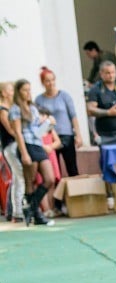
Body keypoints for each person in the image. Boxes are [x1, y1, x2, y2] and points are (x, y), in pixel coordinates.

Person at [10, 79, 58, 226]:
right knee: (30, 180)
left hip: (38, 143)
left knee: (49, 178)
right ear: (18, 92)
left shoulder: (33, 108)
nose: (28, 93)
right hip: (26, 144)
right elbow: (18, 132)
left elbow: (38, 129)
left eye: (29, 89)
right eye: (25, 90)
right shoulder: (16, 109)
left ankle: (30, 208)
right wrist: (24, 153)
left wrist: (48, 123)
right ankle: (37, 215)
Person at [86, 61, 116, 206]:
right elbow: (90, 110)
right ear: (101, 74)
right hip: (106, 134)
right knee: (108, 165)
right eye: (107, 73)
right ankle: (111, 195)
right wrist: (108, 112)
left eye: (113, 72)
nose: (111, 75)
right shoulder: (96, 89)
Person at [35, 67, 83, 178]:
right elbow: (37, 119)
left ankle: (75, 192)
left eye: (52, 80)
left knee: (72, 167)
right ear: (43, 83)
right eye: (47, 81)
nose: (51, 83)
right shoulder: (39, 99)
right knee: (55, 170)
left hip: (66, 135)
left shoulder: (64, 96)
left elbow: (73, 116)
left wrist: (78, 135)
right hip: (49, 137)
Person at [1, 81, 27, 222]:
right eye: (10, 90)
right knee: (19, 176)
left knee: (17, 177)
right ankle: (17, 210)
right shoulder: (3, 110)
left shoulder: (12, 109)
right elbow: (11, 130)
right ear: (4, 93)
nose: (13, 92)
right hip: (10, 147)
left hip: (15, 145)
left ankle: (15, 210)